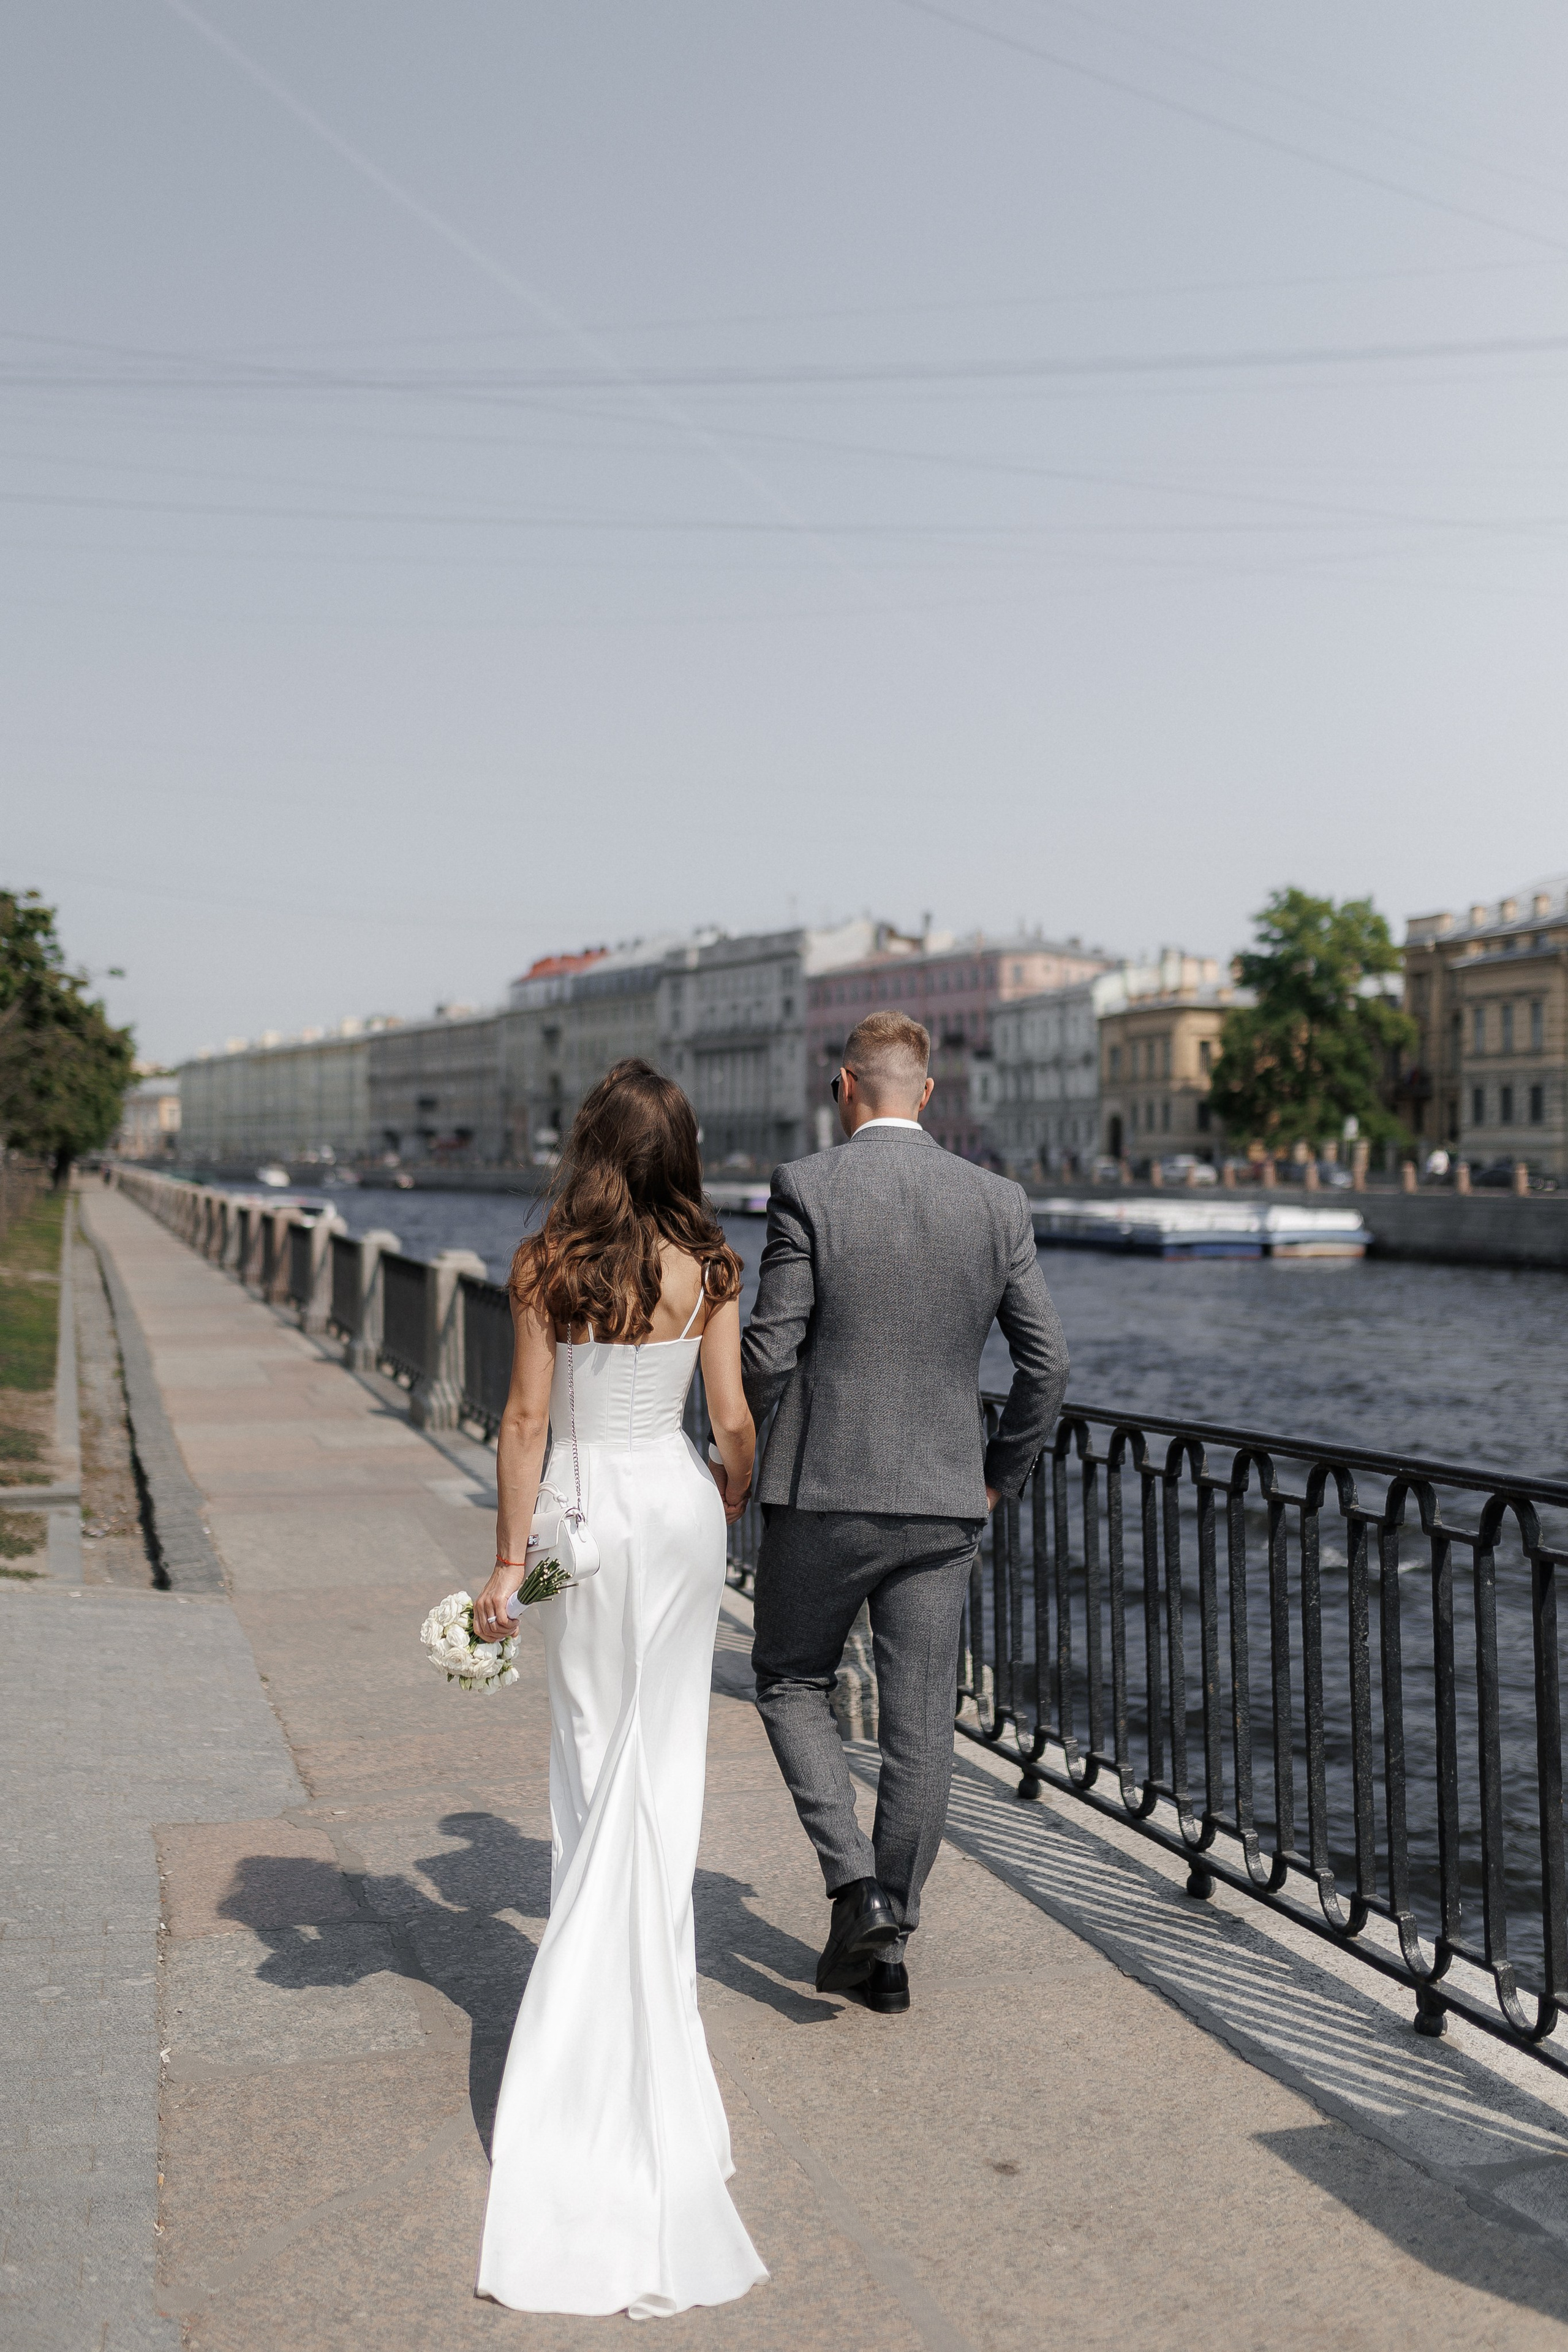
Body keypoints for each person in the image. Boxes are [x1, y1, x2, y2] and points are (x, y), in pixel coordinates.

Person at [470, 1060, 767, 2319]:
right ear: (679, 1147)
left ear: (589, 1143)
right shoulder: (711, 1263)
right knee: (665, 1766)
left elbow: (526, 1425)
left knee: (592, 1768)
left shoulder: (546, 1261)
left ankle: (587, 2041)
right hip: (679, 1508)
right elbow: (733, 1422)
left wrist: (502, 1564)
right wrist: (727, 1497)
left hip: (585, 1519)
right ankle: (655, 2024)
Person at [739, 1010, 1069, 2015]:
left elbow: (767, 1352)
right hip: (940, 1504)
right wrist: (995, 1476)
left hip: (823, 1492)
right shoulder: (996, 1199)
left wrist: (751, 1455)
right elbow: (1046, 1367)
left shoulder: (807, 1185)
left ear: (845, 1089)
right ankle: (890, 1946)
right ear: (924, 1093)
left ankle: (855, 1887)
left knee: (792, 1681)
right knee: (924, 1723)